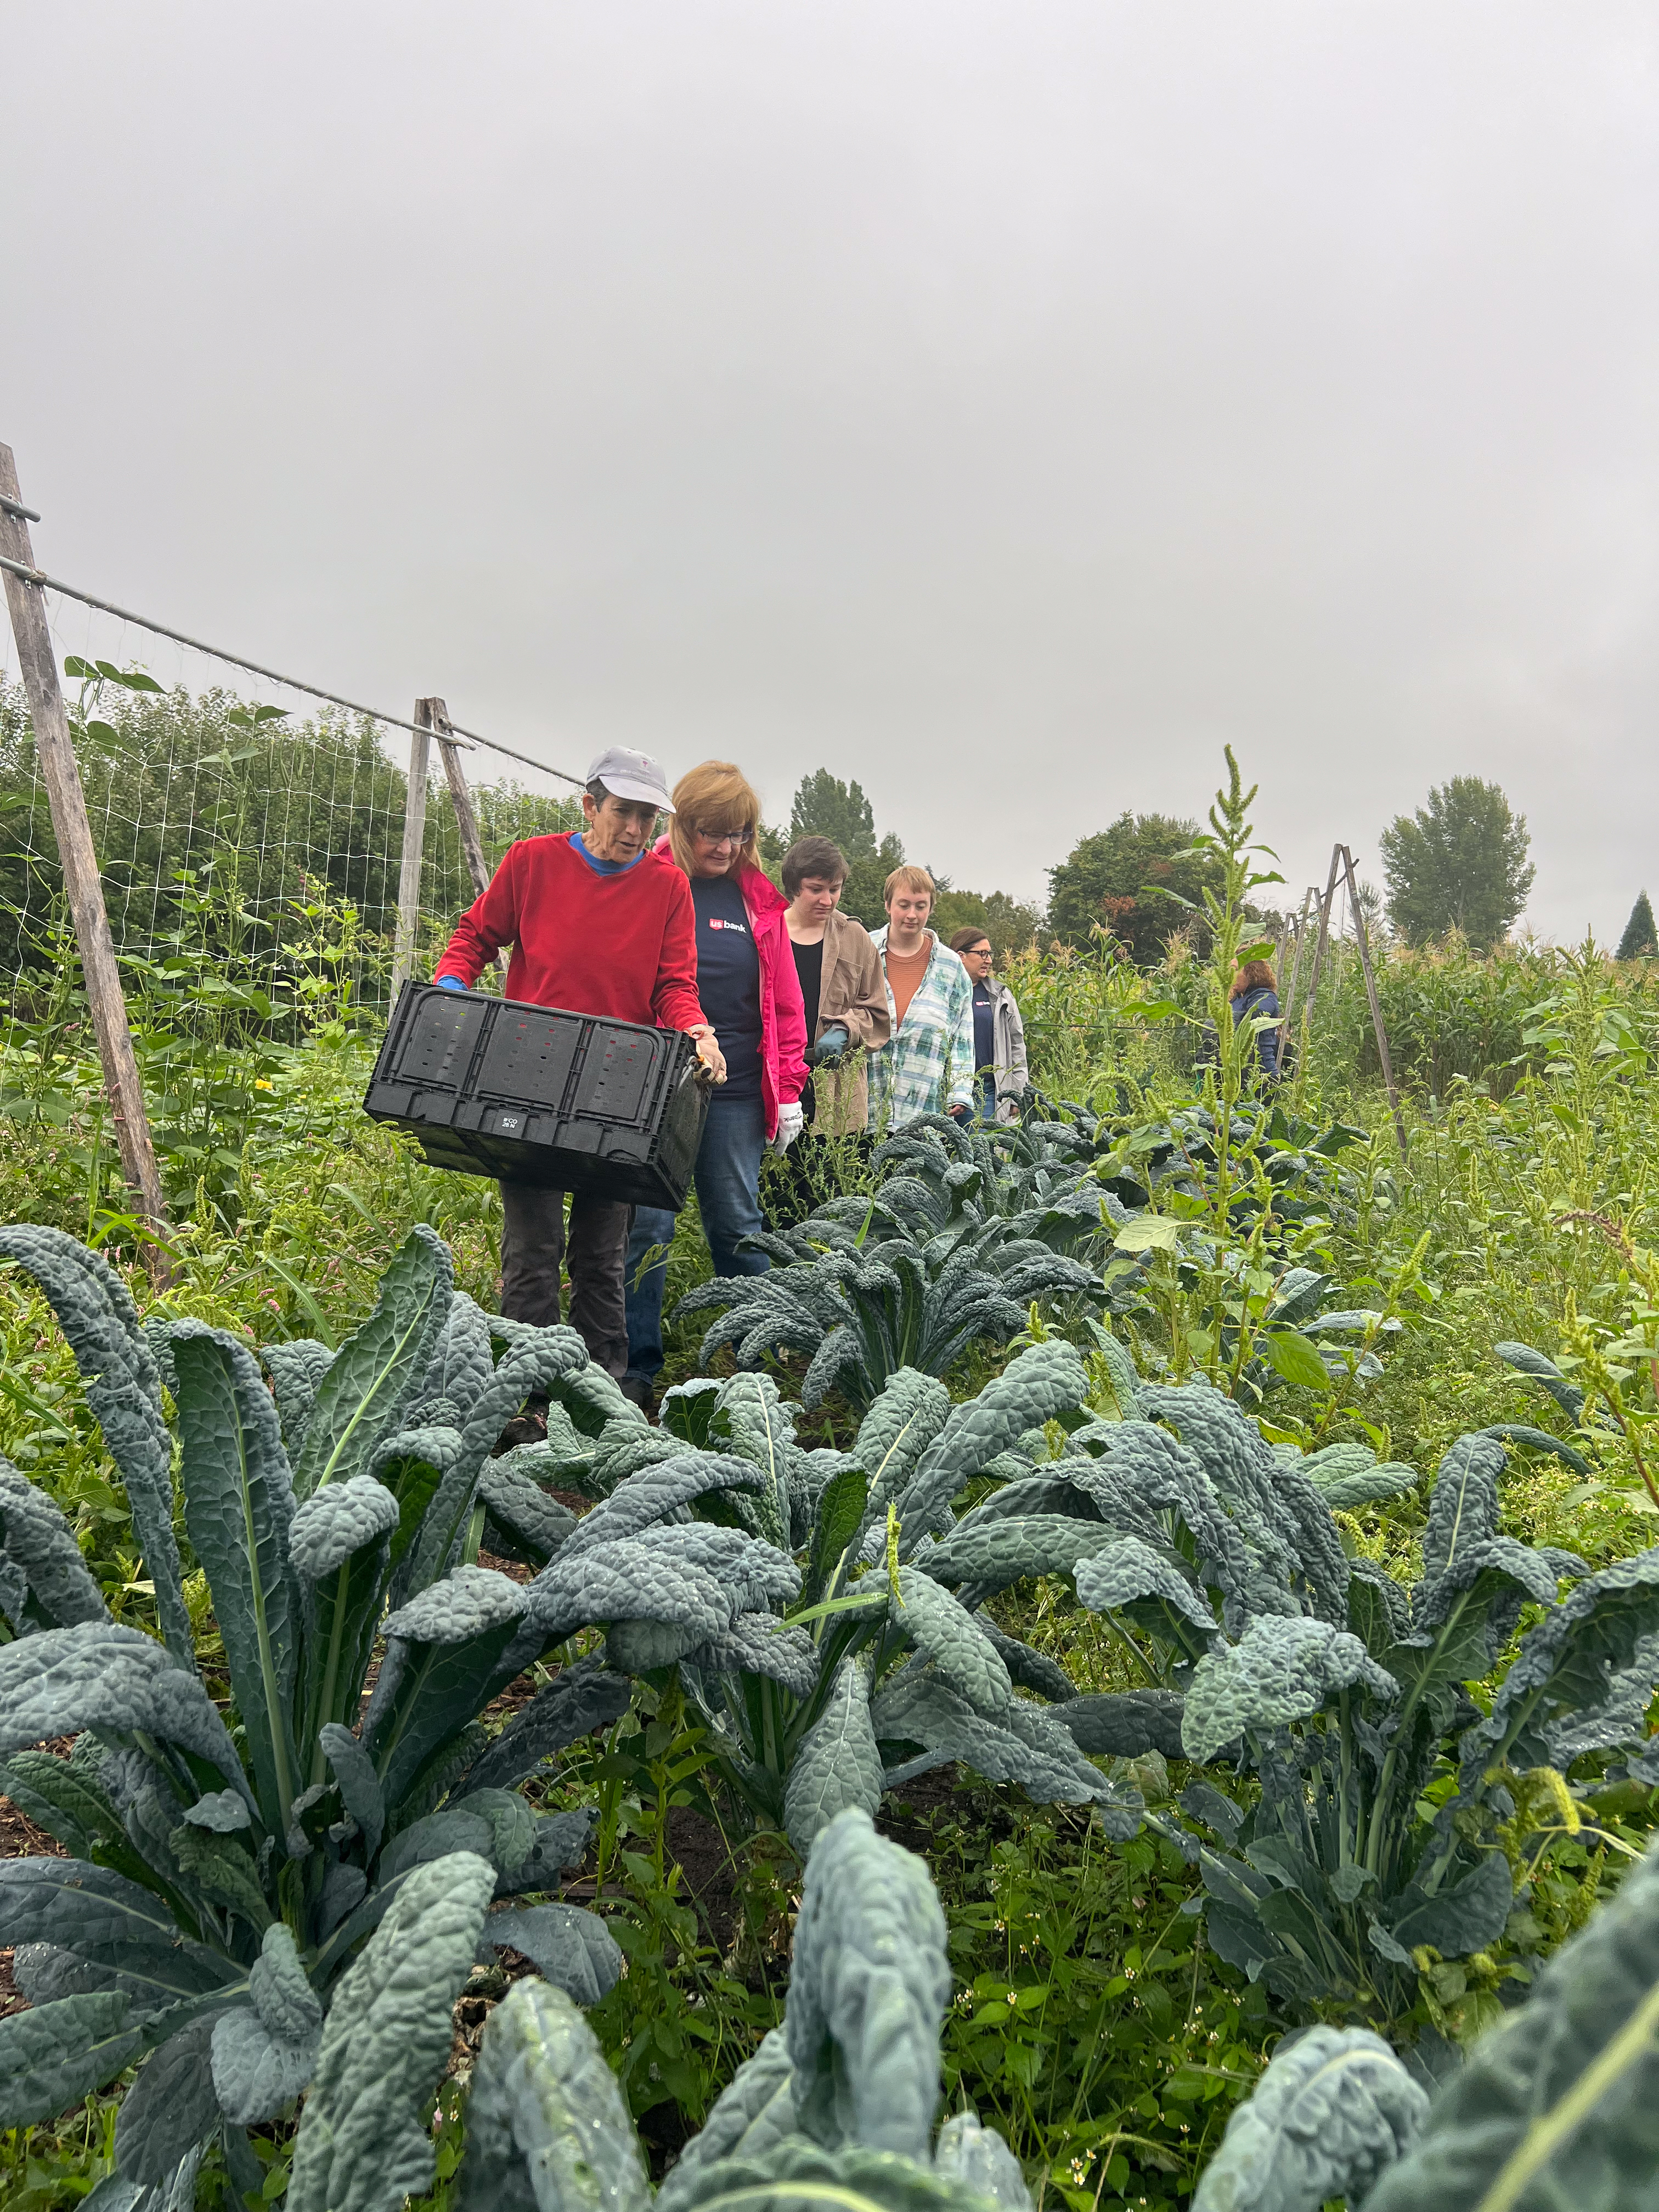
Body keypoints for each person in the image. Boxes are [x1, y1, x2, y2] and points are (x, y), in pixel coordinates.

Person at [432, 746, 727, 1391]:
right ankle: (525, 1396)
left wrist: (697, 1030)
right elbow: (476, 936)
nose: (634, 830)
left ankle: (598, 1396)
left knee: (601, 1254)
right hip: (530, 1075)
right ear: (590, 806)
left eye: (647, 818)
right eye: (622, 812)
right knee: (531, 1250)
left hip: (620, 1086)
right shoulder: (532, 862)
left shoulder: (667, 886)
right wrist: (451, 987)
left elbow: (673, 985)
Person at [623, 762, 808, 1404]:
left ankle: (756, 1363)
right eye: (712, 833)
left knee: (737, 1224)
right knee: (646, 1229)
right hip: (654, 1086)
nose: (725, 848)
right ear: (682, 825)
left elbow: (785, 1005)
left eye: (738, 835)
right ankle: (634, 1369)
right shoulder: (648, 883)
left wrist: (788, 1088)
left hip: (736, 1088)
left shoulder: (756, 902)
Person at [782, 834, 890, 1138]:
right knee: (772, 1179)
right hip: (775, 1081)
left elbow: (879, 1016)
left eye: (835, 889)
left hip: (837, 1088)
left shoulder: (855, 938)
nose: (827, 900)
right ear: (794, 887)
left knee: (832, 1180)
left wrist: (847, 1028)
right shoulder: (768, 931)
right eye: (816, 890)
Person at [867, 866, 976, 1128]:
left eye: (921, 906)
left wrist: (960, 1090)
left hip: (925, 1109)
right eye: (903, 905)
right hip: (865, 1110)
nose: (912, 915)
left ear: (931, 908)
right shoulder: (863, 951)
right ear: (888, 905)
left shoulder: (951, 967)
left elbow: (963, 1035)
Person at [949, 927, 1028, 1123]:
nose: (989, 960)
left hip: (988, 1091)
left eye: (989, 954)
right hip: (947, 1091)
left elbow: (1017, 1047)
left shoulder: (1000, 996)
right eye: (982, 953)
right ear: (961, 956)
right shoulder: (944, 993)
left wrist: (1018, 1092)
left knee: (982, 1148)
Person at [1229, 957, 1282, 1079]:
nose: (1231, 975)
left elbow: (1251, 1018)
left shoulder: (1266, 997)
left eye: (1236, 970)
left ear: (1251, 972)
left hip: (1261, 1076)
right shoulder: (1236, 1000)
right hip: (1239, 1074)